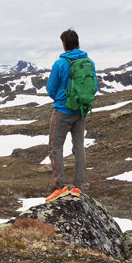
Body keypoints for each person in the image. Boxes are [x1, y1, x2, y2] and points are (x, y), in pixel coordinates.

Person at [45, 28, 97, 202]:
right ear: (78, 43)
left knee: (55, 147)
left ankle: (60, 187)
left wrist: (61, 100)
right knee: (79, 147)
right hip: (81, 111)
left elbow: (51, 89)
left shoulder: (60, 64)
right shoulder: (88, 61)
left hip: (62, 111)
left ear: (64, 44)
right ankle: (77, 187)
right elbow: (94, 87)